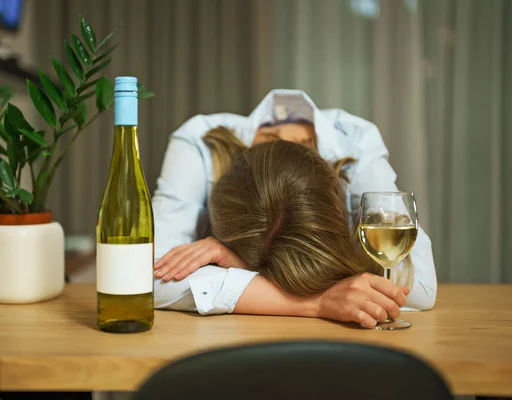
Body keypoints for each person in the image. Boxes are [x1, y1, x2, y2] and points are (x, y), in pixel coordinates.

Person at [151, 89, 437, 328]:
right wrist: (318, 302)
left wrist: (243, 270)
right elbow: (147, 281)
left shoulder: (355, 141)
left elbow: (419, 288)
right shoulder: (199, 140)